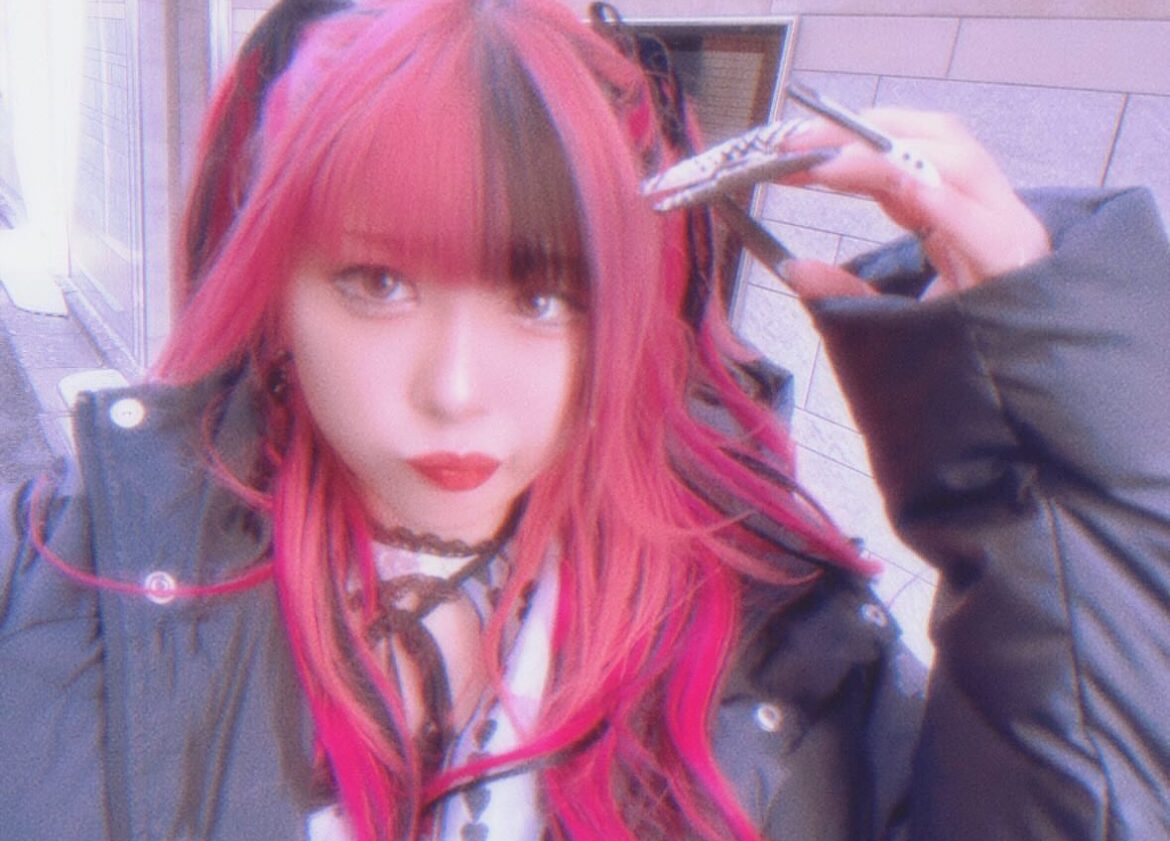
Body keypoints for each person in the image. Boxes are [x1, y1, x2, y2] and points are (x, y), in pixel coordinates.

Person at [1, 0, 1168, 839]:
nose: (457, 388)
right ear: (273, 293)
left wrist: (1056, 463)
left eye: (543, 295)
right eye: (378, 281)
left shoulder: (785, 650)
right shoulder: (61, 583)